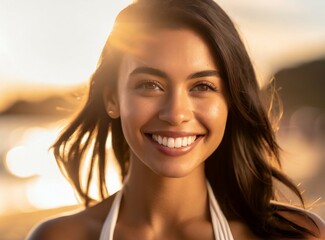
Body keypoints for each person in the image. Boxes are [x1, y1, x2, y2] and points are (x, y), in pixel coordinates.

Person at [27, 0, 325, 239]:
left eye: (202, 87)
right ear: (112, 99)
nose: (175, 113)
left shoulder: (295, 235)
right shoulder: (58, 236)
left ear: (231, 102)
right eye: (149, 85)